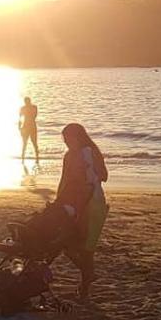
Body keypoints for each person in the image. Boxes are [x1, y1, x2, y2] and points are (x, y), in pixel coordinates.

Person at [55, 122, 109, 300]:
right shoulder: (71, 155)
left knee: (86, 249)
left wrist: (89, 170)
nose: (66, 142)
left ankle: (85, 288)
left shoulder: (90, 153)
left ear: (78, 137)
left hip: (92, 204)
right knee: (69, 245)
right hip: (77, 204)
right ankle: (88, 274)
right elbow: (65, 180)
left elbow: (104, 176)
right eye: (65, 139)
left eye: (69, 139)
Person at [18, 95, 40, 167]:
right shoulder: (28, 108)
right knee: (25, 143)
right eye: (26, 102)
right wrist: (19, 128)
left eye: (27, 101)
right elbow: (20, 119)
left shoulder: (32, 107)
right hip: (27, 126)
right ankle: (23, 158)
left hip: (30, 126)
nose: (27, 103)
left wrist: (20, 127)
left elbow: (34, 116)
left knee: (33, 143)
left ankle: (36, 157)